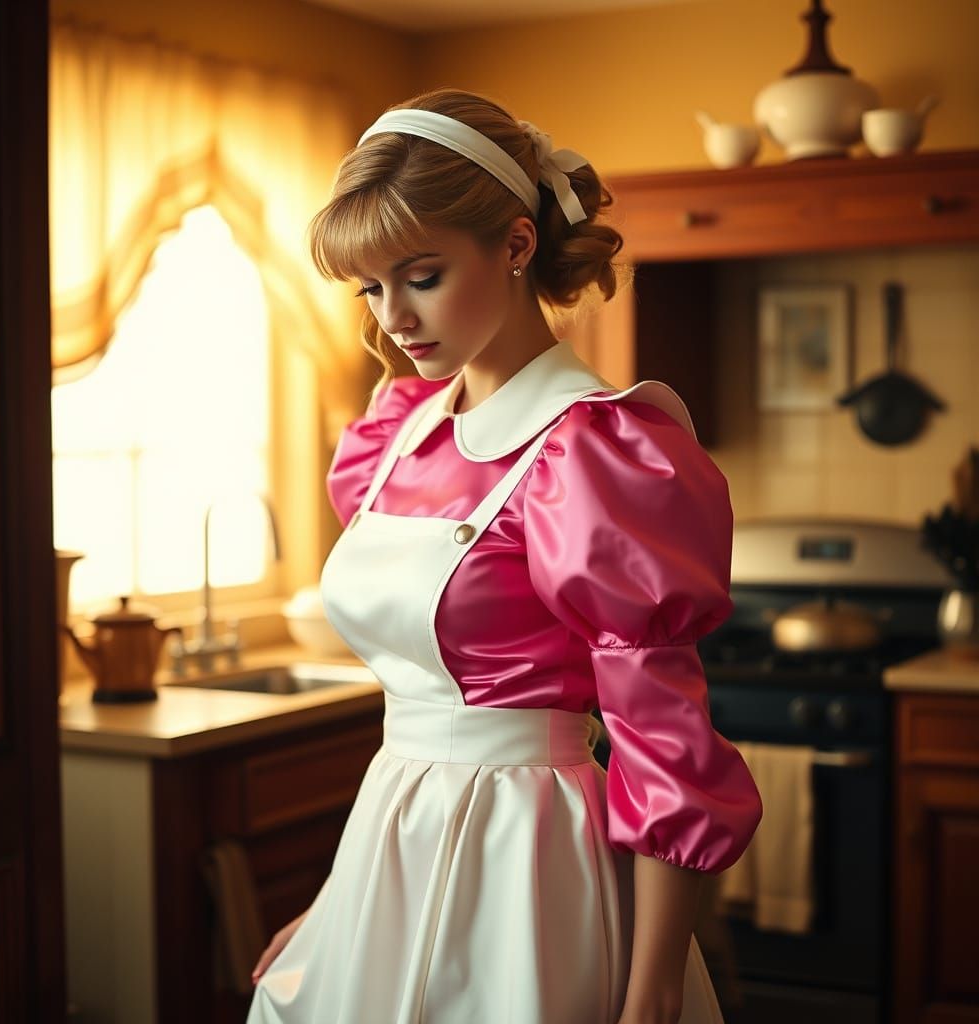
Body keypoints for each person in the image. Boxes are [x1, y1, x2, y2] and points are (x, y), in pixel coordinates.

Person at [246, 88, 762, 1024]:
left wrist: (649, 995)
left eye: (422, 275)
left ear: (517, 245)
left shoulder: (596, 453)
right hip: (386, 848)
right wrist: (338, 911)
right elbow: (414, 732)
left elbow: (662, 747)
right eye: (370, 287)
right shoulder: (399, 432)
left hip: (530, 864)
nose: (393, 316)